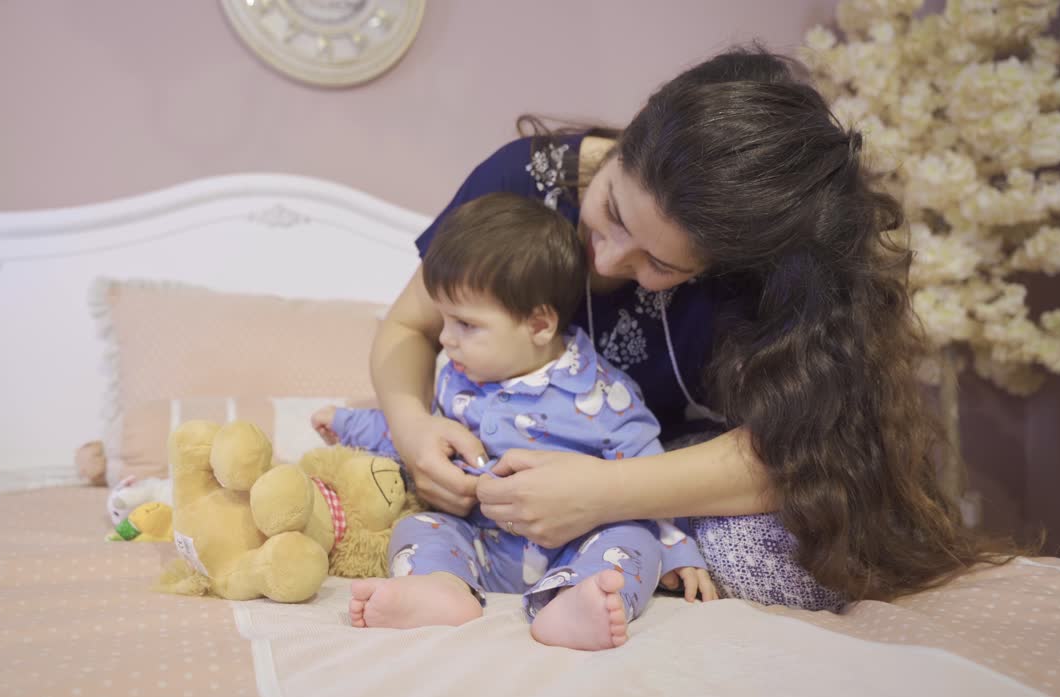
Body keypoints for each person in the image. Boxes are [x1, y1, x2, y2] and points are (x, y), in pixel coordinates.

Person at [363, 44, 1019, 613]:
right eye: (612, 209)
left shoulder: (769, 275)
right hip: (531, 463)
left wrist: (604, 495)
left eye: (660, 262)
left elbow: (803, 447)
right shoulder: (521, 183)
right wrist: (412, 426)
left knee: (795, 550)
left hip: (668, 470)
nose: (611, 258)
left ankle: (607, 568)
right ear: (627, 144)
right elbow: (407, 327)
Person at [313, 192, 714, 650]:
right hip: (482, 538)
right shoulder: (459, 381)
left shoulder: (604, 395)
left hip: (577, 541)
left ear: (539, 326)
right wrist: (348, 423)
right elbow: (421, 432)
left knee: (631, 542)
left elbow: (649, 474)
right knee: (422, 527)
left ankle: (574, 602)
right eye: (443, 319)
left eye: (466, 325)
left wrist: (679, 549)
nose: (445, 339)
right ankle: (442, 588)